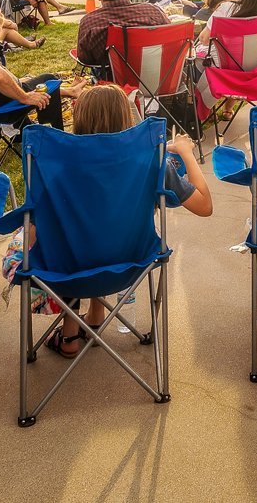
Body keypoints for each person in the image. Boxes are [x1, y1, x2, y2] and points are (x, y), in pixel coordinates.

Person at [42, 84, 212, 357]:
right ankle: (95, 319)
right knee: (104, 230)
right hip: (128, 264)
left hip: (66, 269)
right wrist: (186, 152)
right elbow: (204, 206)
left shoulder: (57, 165)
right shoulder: (152, 162)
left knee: (70, 234)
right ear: (127, 119)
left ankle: (70, 334)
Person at [73, 0, 170, 82]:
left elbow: (84, 59)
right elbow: (169, 40)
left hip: (113, 85)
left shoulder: (90, 22)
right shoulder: (152, 12)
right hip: (157, 81)